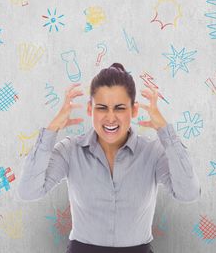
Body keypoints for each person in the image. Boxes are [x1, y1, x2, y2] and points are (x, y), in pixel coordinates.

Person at [17, 63, 201, 253]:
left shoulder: (153, 152)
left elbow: (188, 194)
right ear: (90, 109)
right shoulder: (71, 150)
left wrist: (166, 132)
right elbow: (28, 191)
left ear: (134, 110)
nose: (110, 118)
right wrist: (52, 128)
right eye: (102, 108)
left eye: (120, 108)